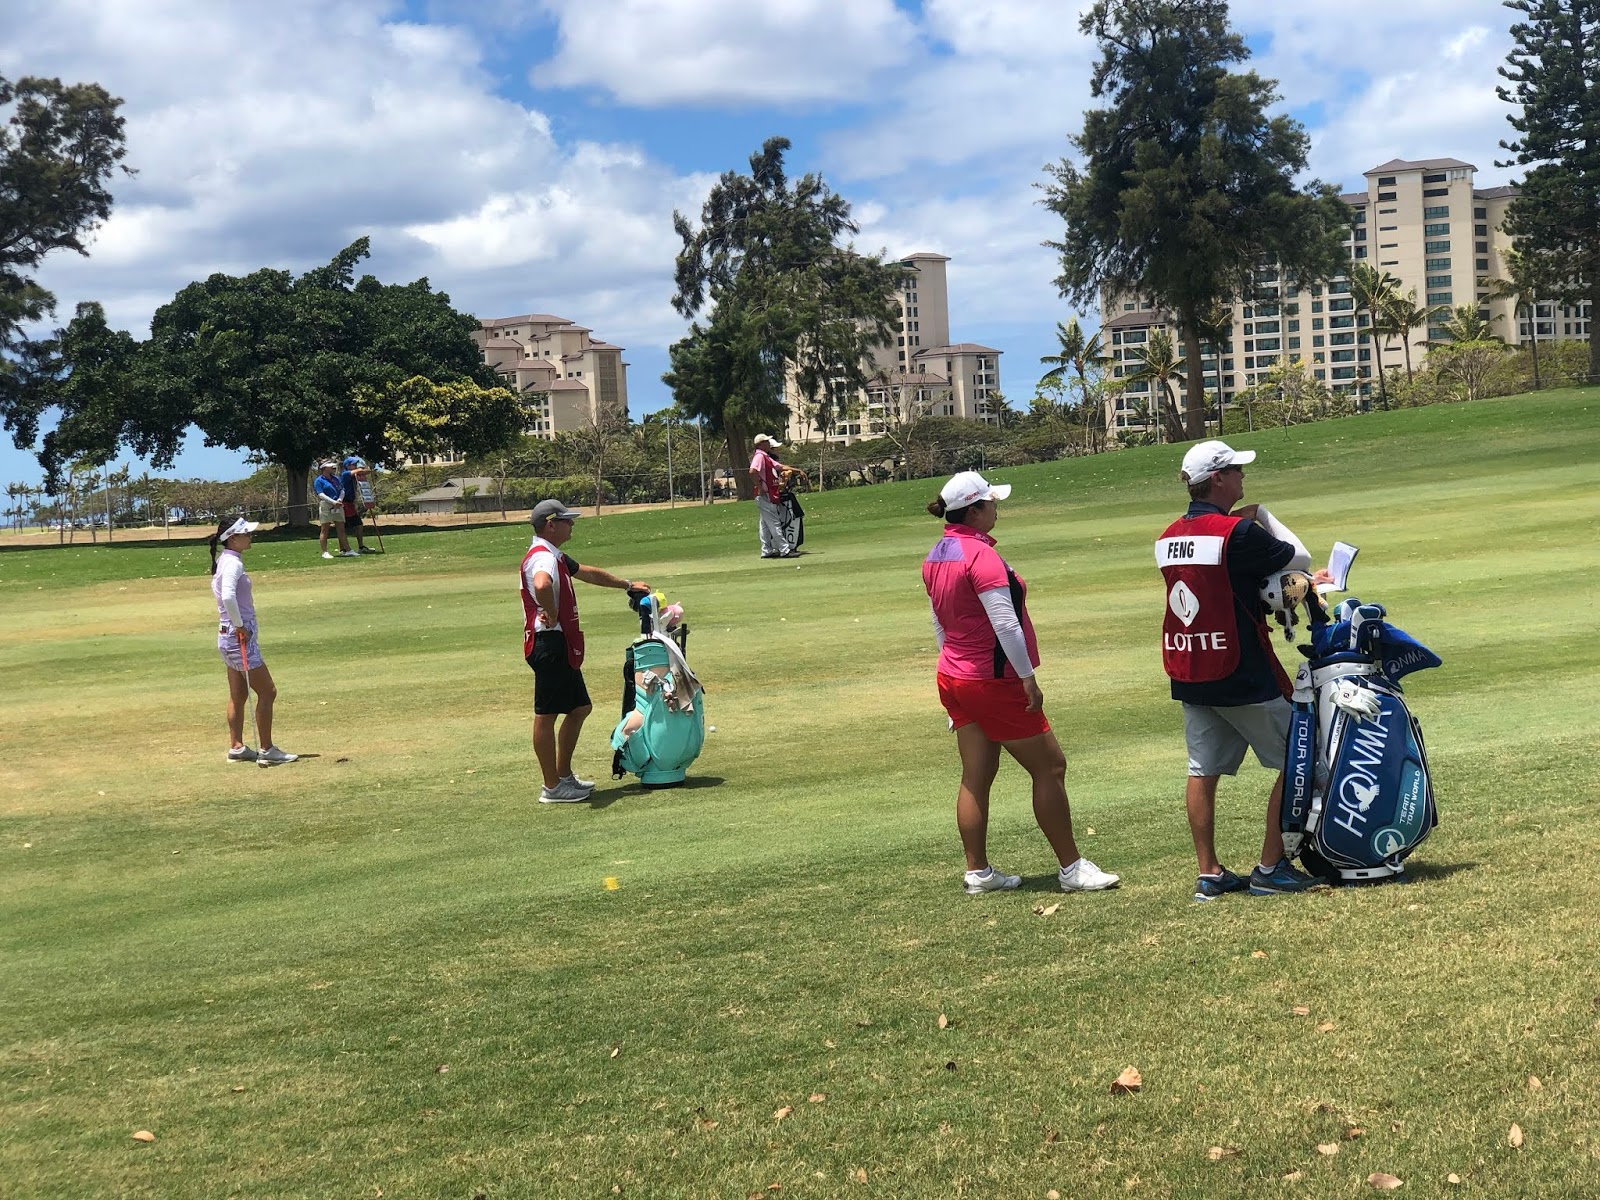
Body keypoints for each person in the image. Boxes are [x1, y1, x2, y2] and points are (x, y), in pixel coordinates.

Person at [922, 471, 1120, 896]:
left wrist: (953, 678)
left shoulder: (936, 554)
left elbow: (940, 622)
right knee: (1050, 766)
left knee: (976, 774)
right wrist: (1027, 677)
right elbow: (1006, 625)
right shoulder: (982, 557)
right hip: (993, 680)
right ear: (973, 510)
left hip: (954, 676)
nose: (997, 508)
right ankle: (1071, 868)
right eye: (991, 502)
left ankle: (978, 873)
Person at [1156, 440, 1331, 900]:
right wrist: (1261, 514)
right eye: (1235, 471)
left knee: (1202, 769)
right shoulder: (1238, 533)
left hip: (1191, 665)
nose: (1242, 478)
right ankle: (1271, 868)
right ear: (1217, 479)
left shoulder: (1168, 535)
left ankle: (1209, 873)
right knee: (1300, 759)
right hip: (1240, 669)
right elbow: (1299, 556)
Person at [520, 499, 649, 803]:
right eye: (566, 520)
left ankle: (563, 777)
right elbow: (541, 584)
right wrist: (550, 612)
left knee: (579, 708)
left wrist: (627, 584)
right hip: (548, 643)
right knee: (547, 714)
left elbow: (587, 573)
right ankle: (552, 787)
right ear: (551, 525)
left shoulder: (555, 555)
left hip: (556, 644)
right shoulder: (544, 559)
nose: (572, 524)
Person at [209, 516, 298, 768]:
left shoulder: (225, 560)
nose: (250, 537)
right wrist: (240, 626)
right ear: (232, 538)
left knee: (238, 695)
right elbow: (227, 597)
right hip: (238, 636)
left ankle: (237, 746)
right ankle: (267, 749)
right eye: (246, 534)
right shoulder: (232, 564)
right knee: (268, 691)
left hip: (228, 635)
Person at [749, 433, 798, 558]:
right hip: (766, 495)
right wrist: (760, 487)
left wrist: (798, 470)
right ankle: (784, 549)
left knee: (764, 524)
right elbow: (752, 471)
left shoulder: (765, 456)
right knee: (774, 523)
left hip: (766, 494)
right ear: (760, 444)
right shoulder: (759, 456)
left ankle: (766, 550)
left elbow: (780, 467)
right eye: (766, 441)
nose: (768, 443)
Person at [314, 460, 355, 559]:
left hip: (338, 504)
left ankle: (348, 550)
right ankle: (325, 552)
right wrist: (333, 502)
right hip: (326, 505)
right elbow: (321, 494)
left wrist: (339, 500)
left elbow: (342, 490)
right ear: (324, 468)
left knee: (341, 528)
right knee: (325, 529)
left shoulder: (336, 478)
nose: (332, 468)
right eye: (329, 466)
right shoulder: (319, 480)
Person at [339, 456, 376, 553]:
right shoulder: (345, 474)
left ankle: (360, 547)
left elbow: (366, 472)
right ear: (348, 466)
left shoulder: (352, 473)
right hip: (345, 503)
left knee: (357, 525)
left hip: (350, 503)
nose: (355, 465)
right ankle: (343, 549)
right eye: (353, 464)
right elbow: (362, 471)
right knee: (343, 527)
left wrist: (364, 469)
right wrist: (362, 468)